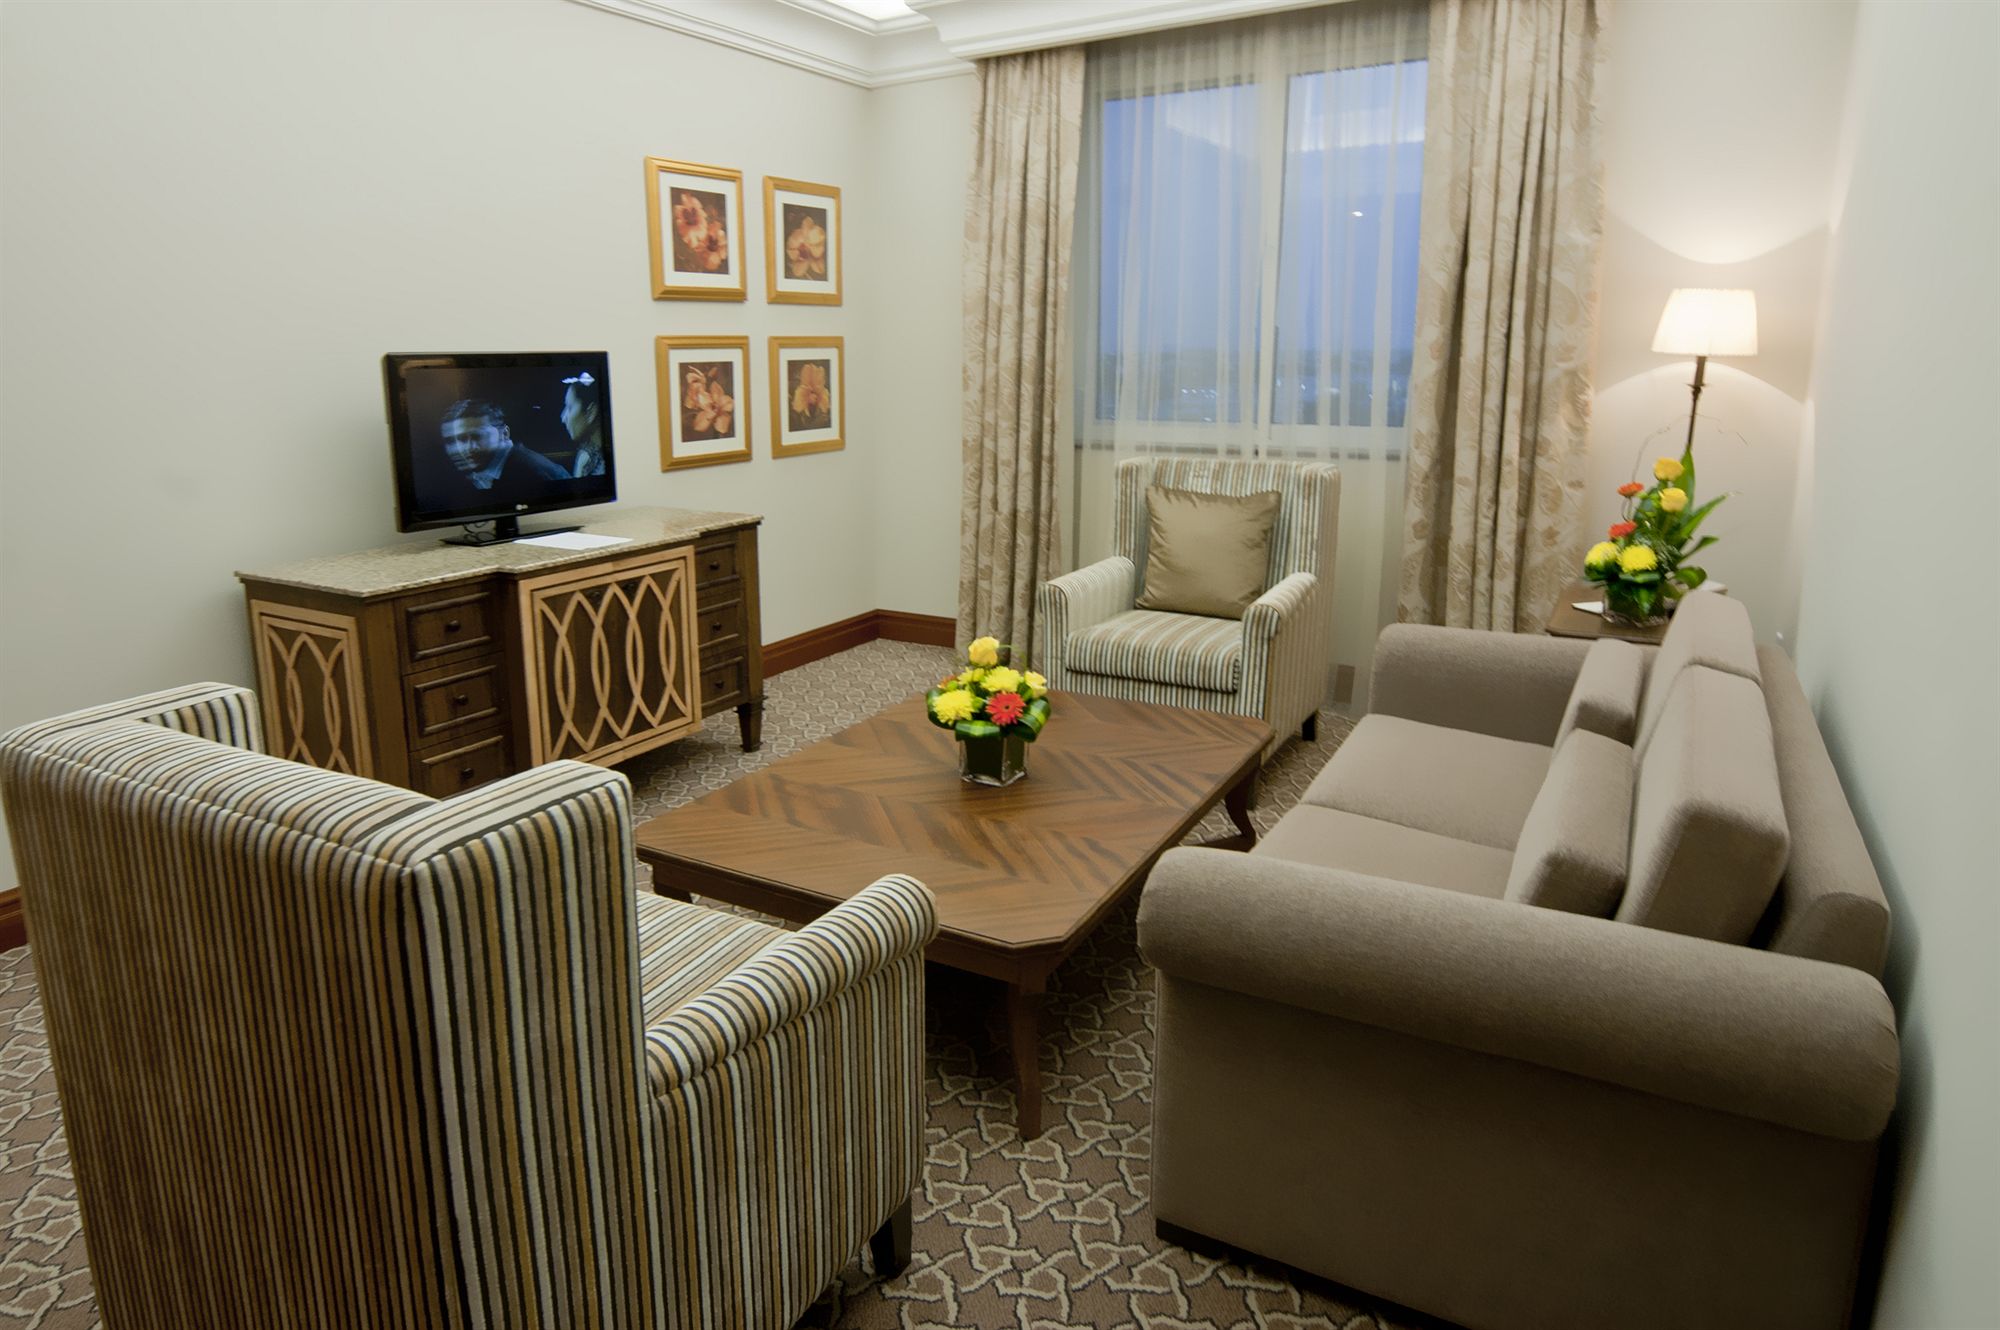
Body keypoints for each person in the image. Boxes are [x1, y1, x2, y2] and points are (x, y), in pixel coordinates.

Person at [436, 398, 568, 505]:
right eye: (462, 439)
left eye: (477, 436)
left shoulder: (530, 473)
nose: (469, 447)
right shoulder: (486, 466)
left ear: (504, 433)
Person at [558, 372, 607, 477]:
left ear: (591, 413)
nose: (563, 417)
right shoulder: (586, 453)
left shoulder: (592, 461)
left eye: (569, 407)